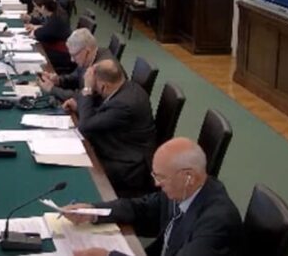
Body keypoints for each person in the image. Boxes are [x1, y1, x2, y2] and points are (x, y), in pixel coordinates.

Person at [63, 138, 244, 256]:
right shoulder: (182, 190)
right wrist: (92, 212)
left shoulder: (217, 221)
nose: (157, 184)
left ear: (188, 176)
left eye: (161, 177)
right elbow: (140, 208)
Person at [76, 59, 156, 194]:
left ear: (104, 86)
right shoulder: (127, 87)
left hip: (128, 164)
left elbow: (85, 126)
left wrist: (87, 89)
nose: (94, 88)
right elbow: (101, 112)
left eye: (95, 85)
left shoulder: (123, 104)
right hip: (121, 144)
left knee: (81, 173)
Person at [37, 28, 116, 106]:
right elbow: (76, 77)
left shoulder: (100, 69)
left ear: (86, 52)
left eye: (74, 55)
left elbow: (82, 97)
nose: (72, 60)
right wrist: (58, 80)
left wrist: (52, 89)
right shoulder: (90, 57)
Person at [24, 0, 72, 72]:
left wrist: (35, 30)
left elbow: (41, 34)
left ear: (43, 7)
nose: (35, 9)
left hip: (62, 55)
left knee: (33, 55)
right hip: (59, 48)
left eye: (36, 7)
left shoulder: (56, 20)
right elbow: (45, 26)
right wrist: (36, 26)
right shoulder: (57, 11)